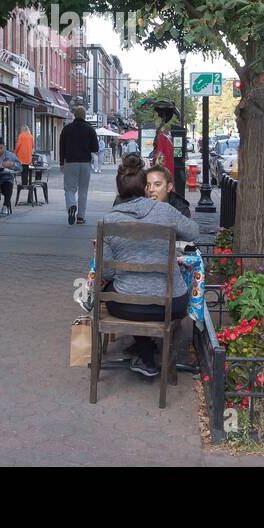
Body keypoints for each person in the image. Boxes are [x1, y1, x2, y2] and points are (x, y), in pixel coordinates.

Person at [100, 154, 200, 377]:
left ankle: (145, 354)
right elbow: (194, 232)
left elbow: (106, 272)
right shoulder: (165, 211)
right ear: (145, 187)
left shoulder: (108, 220)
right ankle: (149, 355)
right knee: (156, 294)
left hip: (127, 305)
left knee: (118, 292)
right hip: (170, 304)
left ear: (119, 189)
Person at [60, 105, 99, 225]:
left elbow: (62, 147)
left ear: (74, 115)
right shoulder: (90, 129)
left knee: (69, 189)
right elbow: (95, 148)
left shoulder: (66, 129)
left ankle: (71, 205)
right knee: (83, 190)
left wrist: (62, 162)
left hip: (70, 162)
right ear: (84, 116)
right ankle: (81, 217)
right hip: (85, 162)